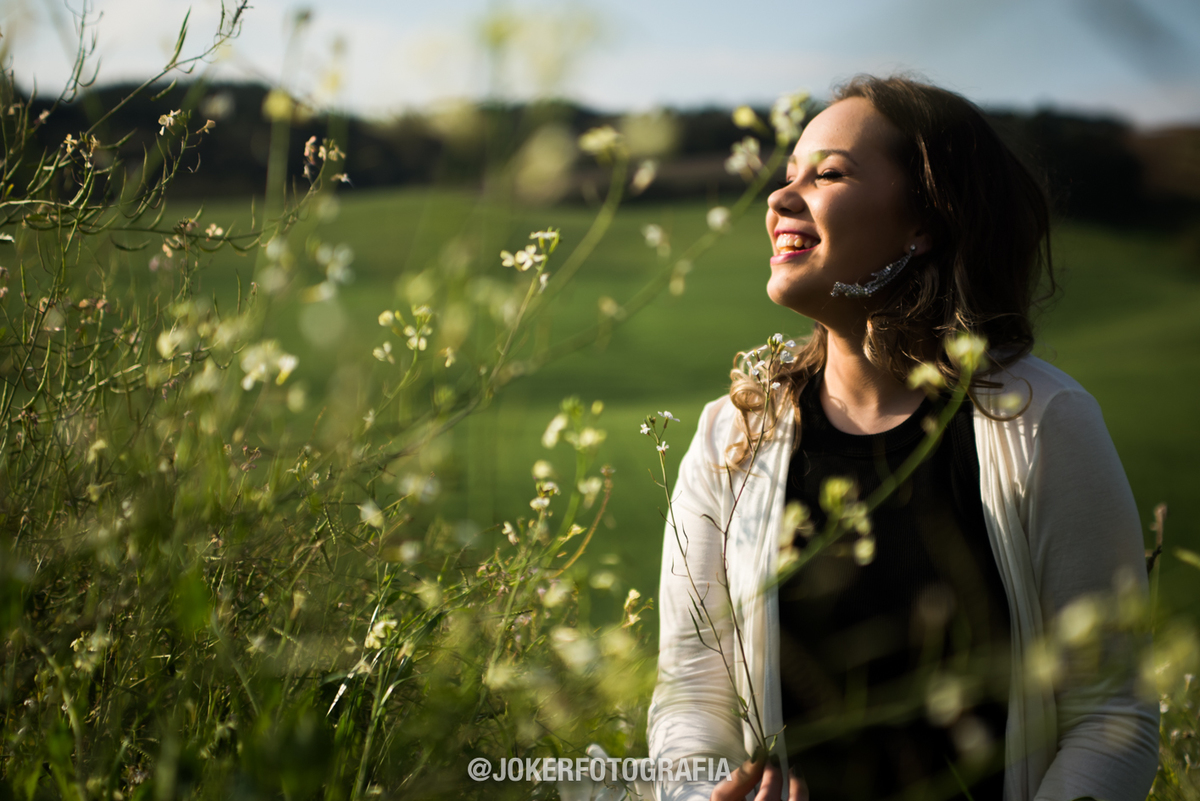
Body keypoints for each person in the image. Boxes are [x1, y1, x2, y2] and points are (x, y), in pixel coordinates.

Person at [646, 76, 1159, 801]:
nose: (779, 199)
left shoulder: (1045, 422)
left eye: (828, 174)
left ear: (925, 222)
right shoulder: (734, 433)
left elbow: (1110, 715)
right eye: (787, 174)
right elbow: (689, 697)